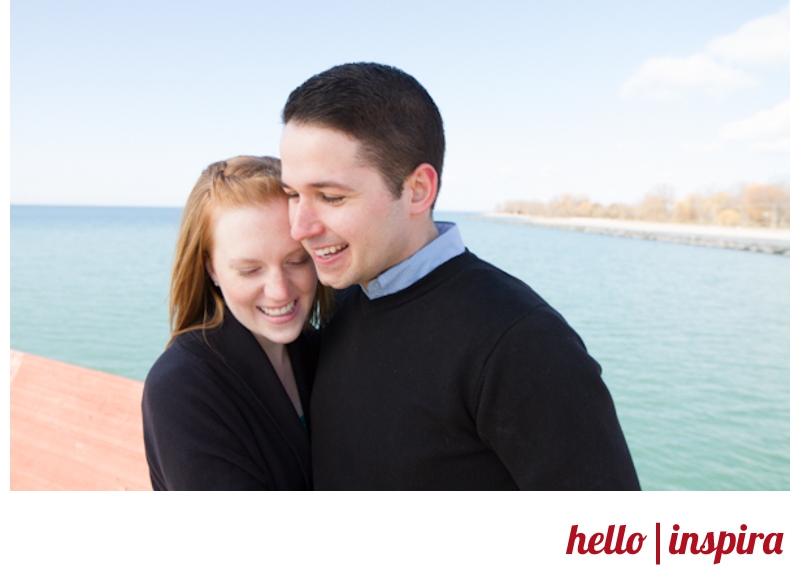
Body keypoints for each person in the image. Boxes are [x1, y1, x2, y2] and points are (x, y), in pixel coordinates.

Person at [279, 62, 641, 490]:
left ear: (418, 190)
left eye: (331, 197)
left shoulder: (522, 343)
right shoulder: (341, 302)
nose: (300, 227)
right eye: (292, 195)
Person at [142, 156, 333, 490]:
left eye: (296, 260)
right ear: (210, 268)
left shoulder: (322, 350)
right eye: (249, 270)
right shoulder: (180, 387)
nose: (279, 290)